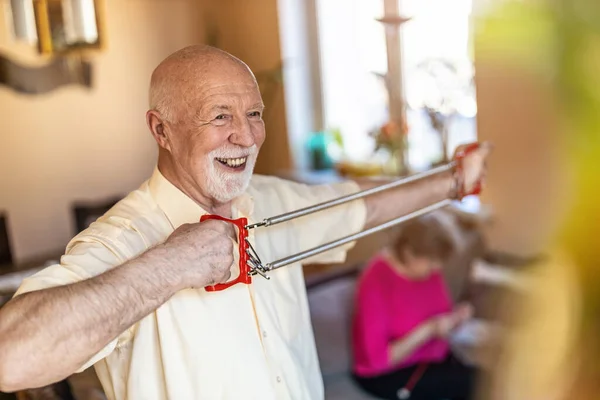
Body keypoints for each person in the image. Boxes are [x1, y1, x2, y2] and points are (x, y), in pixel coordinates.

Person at [0, 45, 491, 399]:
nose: (245, 135)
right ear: (161, 130)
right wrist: (173, 264)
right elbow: (11, 357)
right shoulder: (122, 237)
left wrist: (455, 181)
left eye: (253, 112)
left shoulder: (271, 200)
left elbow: (366, 205)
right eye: (219, 116)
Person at [352, 215, 478, 400]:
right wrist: (428, 329)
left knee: (488, 379)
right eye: (431, 261)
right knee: (473, 384)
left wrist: (456, 318)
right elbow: (378, 360)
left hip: (432, 359)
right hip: (389, 373)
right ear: (409, 252)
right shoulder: (376, 281)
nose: (436, 268)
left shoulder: (430, 273)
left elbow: (441, 315)